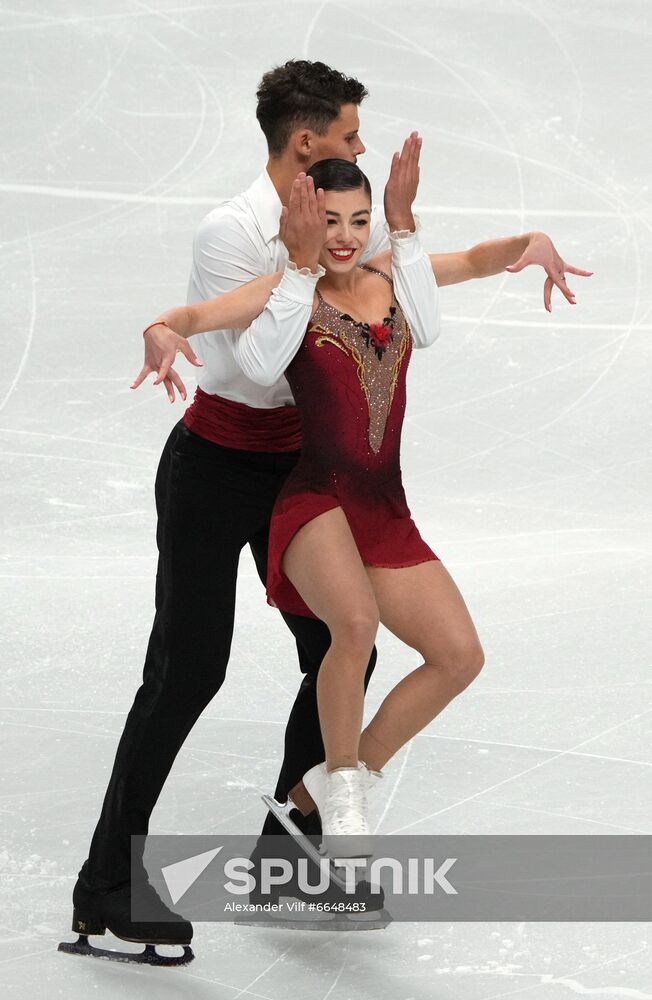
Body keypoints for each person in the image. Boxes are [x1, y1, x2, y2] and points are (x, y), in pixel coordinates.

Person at [67, 58, 590, 959]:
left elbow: (423, 274)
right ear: (306, 143)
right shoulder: (232, 231)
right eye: (349, 136)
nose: (360, 150)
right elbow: (245, 368)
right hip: (215, 469)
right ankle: (104, 883)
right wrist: (285, 283)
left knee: (342, 646)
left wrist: (511, 248)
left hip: (304, 476)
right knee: (188, 672)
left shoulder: (345, 229)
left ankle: (294, 839)